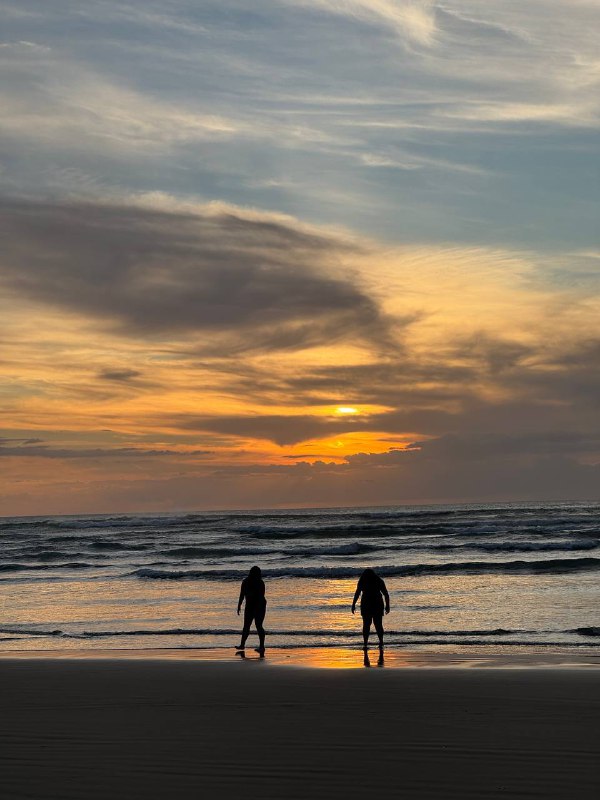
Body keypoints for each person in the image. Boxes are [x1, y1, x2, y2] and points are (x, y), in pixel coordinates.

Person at [351, 568, 390, 651]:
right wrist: (387, 606)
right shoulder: (379, 580)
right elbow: (386, 594)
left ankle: (366, 643)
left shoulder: (363, 580)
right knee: (378, 624)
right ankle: (381, 642)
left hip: (367, 604)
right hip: (377, 604)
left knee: (367, 625)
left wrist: (353, 604)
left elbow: (357, 593)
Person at [236, 565, 267, 654]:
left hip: (259, 605)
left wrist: (240, 605)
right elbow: (242, 595)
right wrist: (239, 605)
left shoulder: (259, 583)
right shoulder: (247, 582)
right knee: (247, 626)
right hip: (250, 605)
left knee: (258, 625)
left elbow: (261, 597)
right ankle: (242, 645)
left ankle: (261, 647)